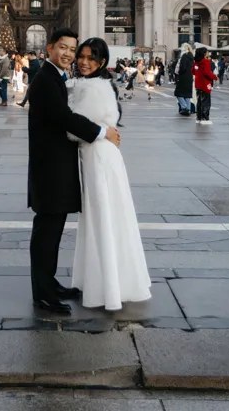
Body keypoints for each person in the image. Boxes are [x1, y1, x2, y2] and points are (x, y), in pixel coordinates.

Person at [28, 28, 122, 315]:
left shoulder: (55, 76)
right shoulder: (46, 79)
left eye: (72, 49)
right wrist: (102, 132)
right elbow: (63, 117)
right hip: (50, 169)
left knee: (53, 230)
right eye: (63, 48)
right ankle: (43, 294)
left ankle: (48, 282)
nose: (69, 54)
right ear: (50, 48)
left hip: (55, 166)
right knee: (47, 232)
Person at [68, 37, 151, 310]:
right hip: (103, 155)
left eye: (90, 58)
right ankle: (112, 283)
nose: (83, 62)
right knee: (110, 218)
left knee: (101, 218)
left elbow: (74, 129)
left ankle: (106, 288)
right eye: (81, 56)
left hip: (98, 157)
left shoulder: (92, 88)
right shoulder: (99, 84)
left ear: (102, 61)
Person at [193, 47, 216, 125]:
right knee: (206, 102)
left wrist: (199, 73)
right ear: (204, 53)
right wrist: (215, 77)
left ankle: (198, 118)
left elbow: (192, 71)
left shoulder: (196, 62)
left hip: (198, 83)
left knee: (199, 101)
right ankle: (205, 118)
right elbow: (207, 73)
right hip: (205, 84)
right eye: (207, 52)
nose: (208, 53)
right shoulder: (206, 61)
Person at [174, 44, 194, 116]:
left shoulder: (184, 56)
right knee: (187, 94)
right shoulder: (191, 56)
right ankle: (188, 108)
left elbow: (182, 67)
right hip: (190, 77)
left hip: (183, 77)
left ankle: (184, 107)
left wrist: (179, 73)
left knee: (178, 93)